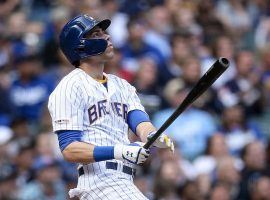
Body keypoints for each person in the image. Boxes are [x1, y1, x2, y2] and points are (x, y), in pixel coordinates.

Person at [47, 14, 174, 199]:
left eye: (104, 32)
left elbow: (139, 120)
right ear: (80, 45)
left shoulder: (122, 85)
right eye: (96, 34)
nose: (106, 36)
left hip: (124, 180)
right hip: (98, 181)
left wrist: (152, 135)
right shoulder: (69, 86)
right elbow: (69, 148)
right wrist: (120, 151)